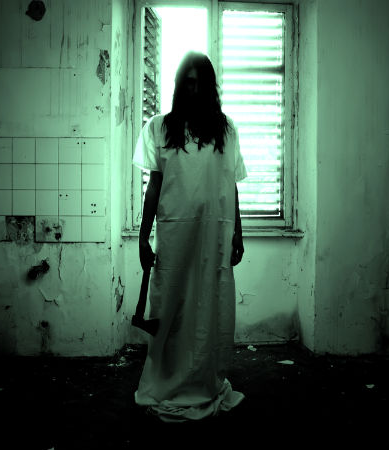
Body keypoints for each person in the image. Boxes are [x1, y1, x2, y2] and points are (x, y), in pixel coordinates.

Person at [131, 51, 248, 422]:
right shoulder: (160, 128)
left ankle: (203, 379)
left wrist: (239, 233)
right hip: (175, 235)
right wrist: (143, 236)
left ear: (209, 87)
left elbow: (231, 184)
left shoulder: (226, 131)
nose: (192, 89)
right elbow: (154, 185)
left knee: (210, 305)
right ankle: (168, 380)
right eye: (187, 82)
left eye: (199, 83)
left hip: (214, 236)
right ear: (179, 85)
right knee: (171, 306)